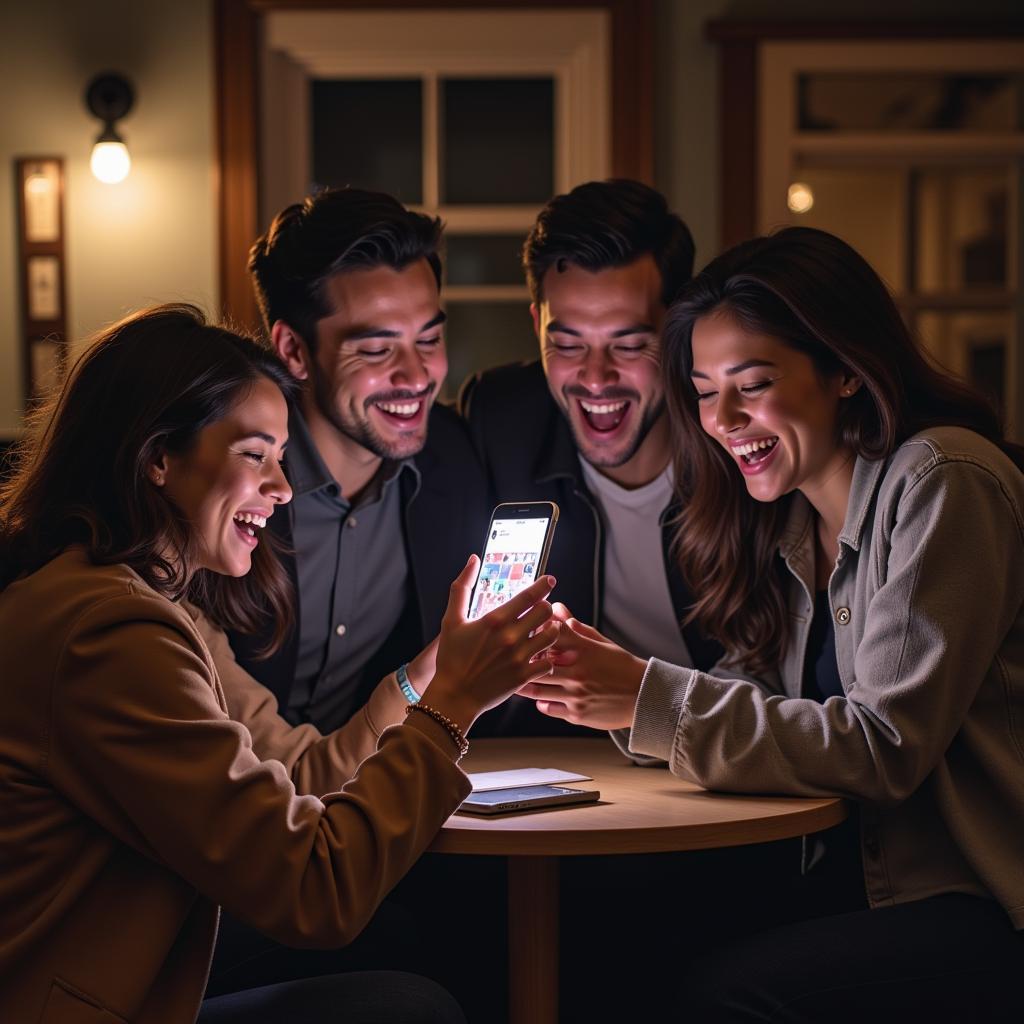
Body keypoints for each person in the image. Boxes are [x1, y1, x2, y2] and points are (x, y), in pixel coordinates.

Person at [518, 227, 1024, 1020]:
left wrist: (645, 696)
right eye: (704, 388)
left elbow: (883, 748)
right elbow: (753, 683)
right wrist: (606, 683)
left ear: (846, 372)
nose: (721, 419)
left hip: (976, 899)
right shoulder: (790, 516)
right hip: (841, 874)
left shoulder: (943, 480)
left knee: (722, 991)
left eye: (751, 384)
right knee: (616, 934)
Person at [0, 305, 558, 1024]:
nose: (284, 488)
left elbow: (295, 786)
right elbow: (315, 893)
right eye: (255, 454)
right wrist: (452, 707)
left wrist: (431, 676)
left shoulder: (119, 599)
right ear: (158, 458)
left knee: (403, 947)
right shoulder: (111, 636)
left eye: (282, 458)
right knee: (408, 1008)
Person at [219, 186, 488, 738]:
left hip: (373, 794)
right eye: (375, 349)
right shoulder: (225, 477)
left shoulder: (457, 460)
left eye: (429, 338)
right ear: (293, 350)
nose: (416, 377)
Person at [460, 179, 721, 737]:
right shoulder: (499, 420)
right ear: (537, 327)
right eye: (568, 344)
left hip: (720, 757)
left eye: (628, 345)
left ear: (678, 332)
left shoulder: (735, 437)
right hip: (557, 765)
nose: (596, 379)